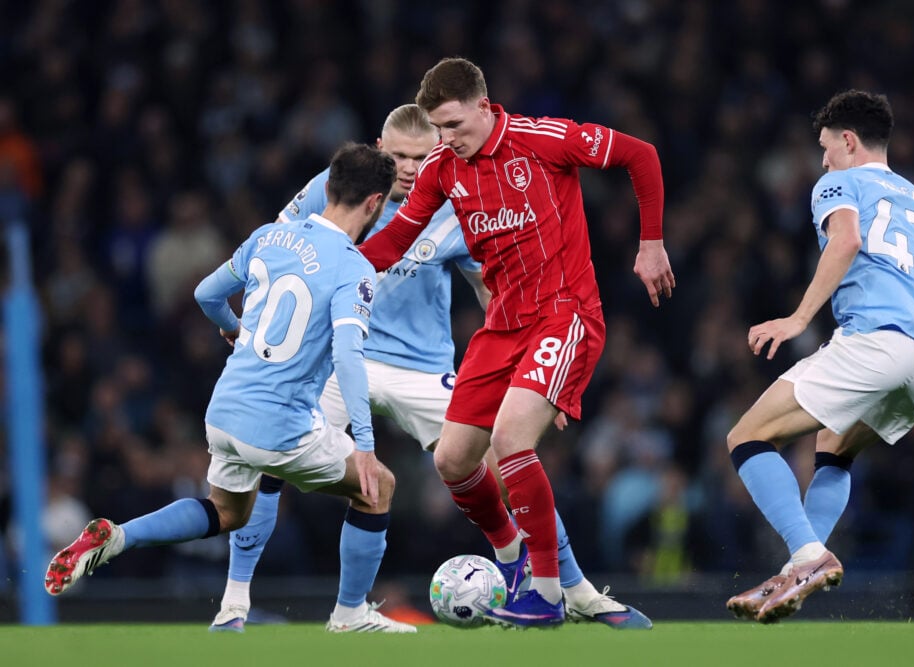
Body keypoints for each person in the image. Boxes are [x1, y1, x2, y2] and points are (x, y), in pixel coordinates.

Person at [210, 104, 653, 631]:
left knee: (500, 457)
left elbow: (493, 288)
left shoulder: (458, 197)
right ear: (379, 148)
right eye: (398, 156)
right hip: (339, 358)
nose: (410, 167)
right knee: (268, 455)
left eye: (423, 157)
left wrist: (537, 374)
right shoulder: (333, 188)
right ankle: (235, 604)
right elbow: (278, 254)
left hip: (422, 366)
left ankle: (570, 587)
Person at [43, 144, 418, 633]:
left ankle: (119, 536)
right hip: (280, 425)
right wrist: (365, 446)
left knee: (226, 511)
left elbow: (205, 293)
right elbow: (348, 355)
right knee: (378, 487)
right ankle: (350, 615)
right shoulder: (354, 268)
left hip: (224, 412)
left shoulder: (270, 236)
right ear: (374, 204)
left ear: (327, 189)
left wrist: (236, 328)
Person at [357, 58, 676, 628]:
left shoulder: (542, 139)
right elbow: (399, 238)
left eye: (454, 125)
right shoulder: (442, 169)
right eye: (439, 129)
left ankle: (549, 595)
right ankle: (513, 561)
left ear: (484, 106)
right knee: (453, 460)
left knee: (509, 440)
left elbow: (640, 155)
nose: (446, 140)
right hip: (502, 325)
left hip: (565, 314)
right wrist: (338, 265)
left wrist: (650, 243)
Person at [723, 90, 914, 624]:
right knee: (834, 447)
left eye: (827, 147)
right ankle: (798, 565)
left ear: (848, 141)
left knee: (747, 437)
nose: (823, 159)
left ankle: (808, 556)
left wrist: (798, 319)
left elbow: (846, 239)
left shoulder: (839, 183)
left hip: (876, 340)